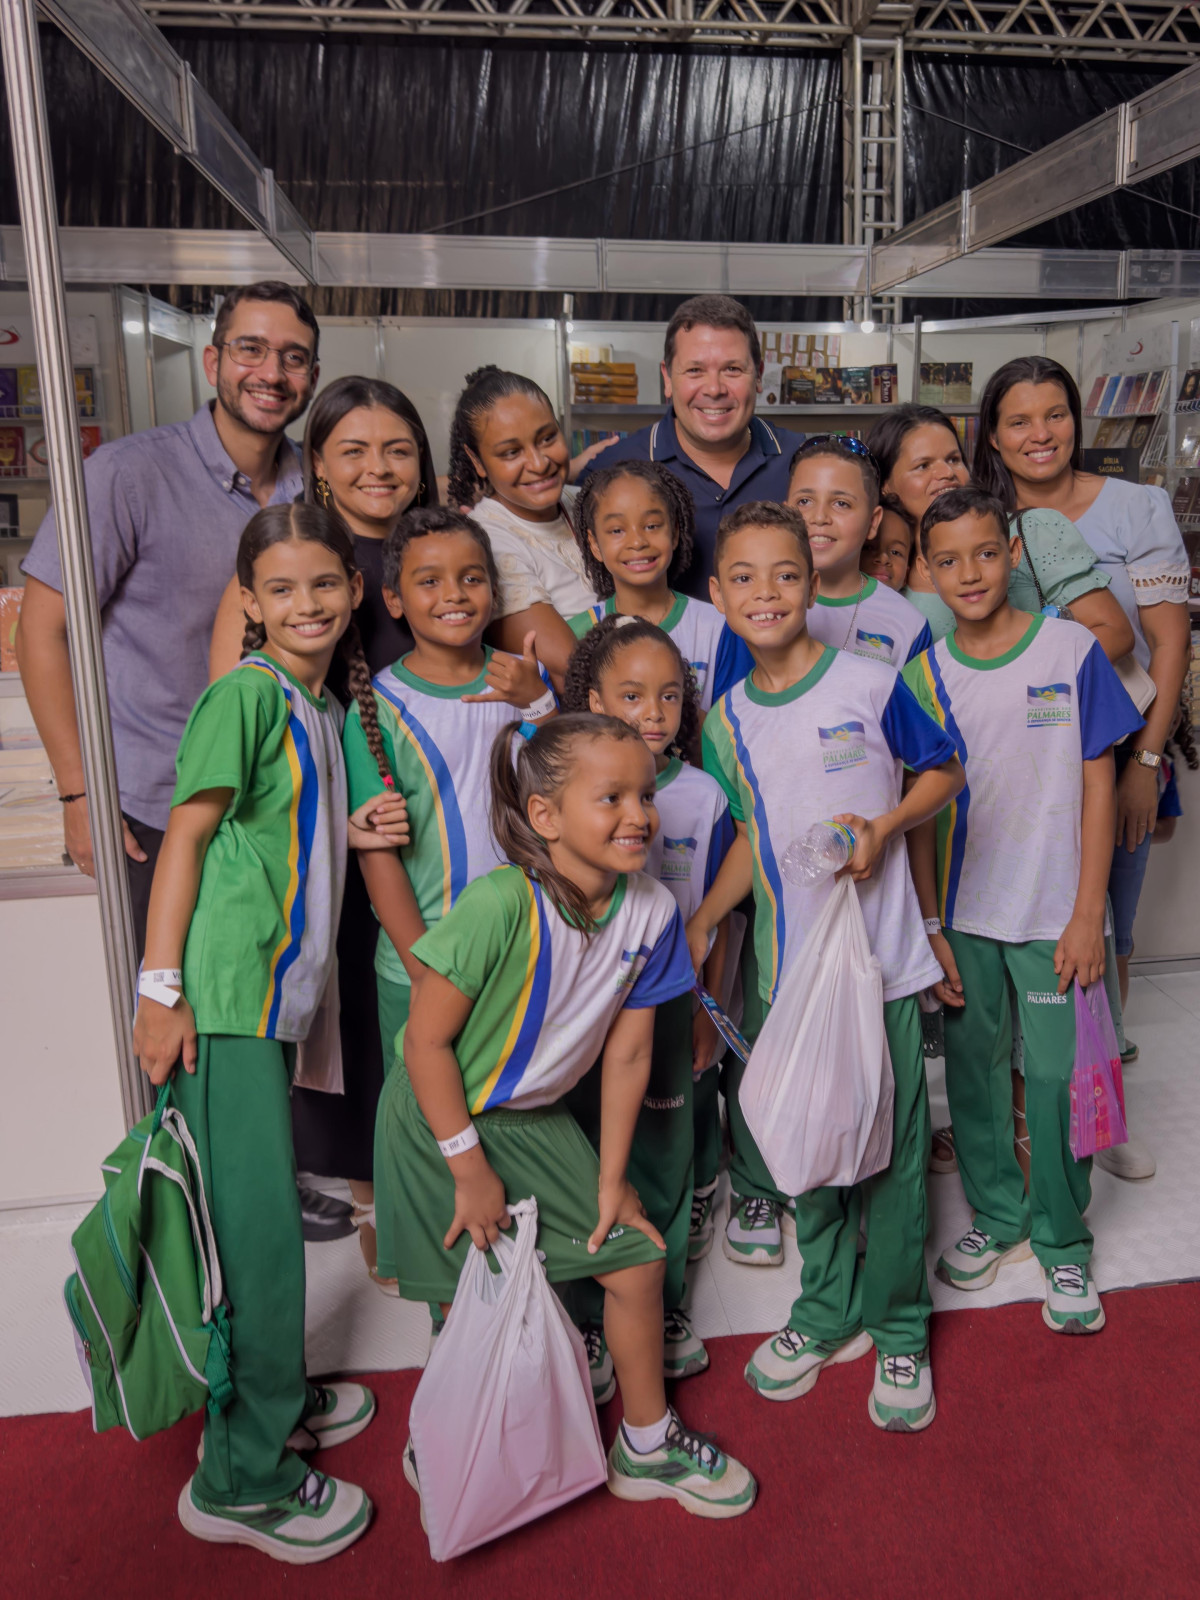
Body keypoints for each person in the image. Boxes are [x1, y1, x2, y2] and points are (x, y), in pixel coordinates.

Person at [382, 715, 756, 1520]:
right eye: (612, 797)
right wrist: (467, 1167)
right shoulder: (496, 904)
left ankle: (647, 1443)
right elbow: (424, 1044)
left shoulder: (652, 912)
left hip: (534, 1117)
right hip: (443, 1121)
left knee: (634, 1260)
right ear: (546, 815)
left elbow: (626, 1057)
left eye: (647, 794)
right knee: (471, 1294)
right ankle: (446, 1431)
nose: (639, 814)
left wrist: (613, 1180)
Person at [130, 503, 404, 1563]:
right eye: (280, 589)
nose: (306, 605)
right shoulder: (243, 694)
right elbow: (188, 837)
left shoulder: (314, 704)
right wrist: (162, 988)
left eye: (323, 584)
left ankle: (273, 1397)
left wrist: (345, 826)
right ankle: (241, 1476)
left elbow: (264, 826)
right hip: (221, 1004)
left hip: (265, 1004)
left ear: (352, 588)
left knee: (262, 1225)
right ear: (248, 599)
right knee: (249, 1239)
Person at [687, 500, 963, 1433]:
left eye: (787, 575)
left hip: (877, 970)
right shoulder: (724, 721)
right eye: (746, 579)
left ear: (812, 584)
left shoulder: (868, 683)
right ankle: (825, 1308)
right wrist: (706, 918)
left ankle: (897, 1328)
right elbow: (748, 842)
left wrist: (884, 827)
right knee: (806, 1149)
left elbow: (947, 773)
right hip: (785, 972)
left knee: (885, 1158)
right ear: (719, 595)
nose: (768, 594)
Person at [209, 376, 438, 1263]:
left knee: (423, 1008)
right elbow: (241, 722)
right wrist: (327, 829)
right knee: (347, 1025)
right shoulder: (294, 554)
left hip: (426, 835)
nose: (379, 467)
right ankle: (373, 1197)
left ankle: (432, 1175)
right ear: (320, 466)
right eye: (354, 450)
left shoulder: (445, 547)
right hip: (328, 845)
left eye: (398, 448)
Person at [16, 281, 318, 953]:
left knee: (261, 1027)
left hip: (279, 804)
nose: (271, 373)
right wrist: (78, 794)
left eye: (293, 357)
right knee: (165, 1017)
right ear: (213, 364)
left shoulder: (314, 487)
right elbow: (43, 629)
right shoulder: (127, 475)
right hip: (154, 805)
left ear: (312, 378)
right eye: (251, 349)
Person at [905, 487, 1142, 1333]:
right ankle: (998, 1219)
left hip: (1056, 917)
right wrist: (931, 928)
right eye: (947, 560)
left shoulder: (1071, 648)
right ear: (927, 571)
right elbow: (923, 816)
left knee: (1057, 1078)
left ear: (1012, 551)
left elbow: (1098, 782)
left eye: (984, 553)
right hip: (969, 917)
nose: (968, 573)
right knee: (969, 1077)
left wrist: (1087, 916)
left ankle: (1063, 1240)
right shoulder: (924, 673)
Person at [974, 358, 1190, 1155]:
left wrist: (1147, 763)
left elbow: (1167, 641)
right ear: (992, 436)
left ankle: (1101, 1113)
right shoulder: (979, 520)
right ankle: (1025, 1118)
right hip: (1018, 776)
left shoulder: (1136, 506)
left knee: (1108, 931)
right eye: (1020, 420)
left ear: (1077, 420)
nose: (1041, 435)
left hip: (1123, 752)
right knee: (1024, 940)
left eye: (1056, 414)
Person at [341, 506, 557, 1295]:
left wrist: (538, 703)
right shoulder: (376, 708)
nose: (454, 594)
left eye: (472, 577)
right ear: (394, 600)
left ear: (495, 590)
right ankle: (431, 1282)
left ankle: (521, 1261)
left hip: (519, 952)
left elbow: (569, 792)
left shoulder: (519, 683)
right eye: (428, 582)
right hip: (419, 965)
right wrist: (420, 966)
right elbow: (380, 859)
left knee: (510, 1111)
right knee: (426, 1129)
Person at [561, 616, 733, 1388]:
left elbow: (720, 919)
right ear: (593, 697)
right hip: (584, 1011)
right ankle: (590, 1319)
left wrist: (705, 1010)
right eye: (631, 696)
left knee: (662, 1157)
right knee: (583, 1158)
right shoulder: (560, 792)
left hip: (667, 1010)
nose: (653, 712)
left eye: (669, 695)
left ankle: (660, 1306)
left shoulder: (703, 798)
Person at [868, 402, 1134, 663]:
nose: (947, 472)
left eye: (954, 459)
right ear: (885, 485)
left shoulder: (1030, 532)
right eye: (923, 465)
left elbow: (1115, 632)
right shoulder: (879, 563)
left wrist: (1023, 686)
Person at [578, 296, 804, 595]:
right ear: (667, 378)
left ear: (759, 374)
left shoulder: (804, 462)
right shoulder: (613, 470)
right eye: (695, 370)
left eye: (732, 369)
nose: (714, 389)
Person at [447, 365, 597, 688]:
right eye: (512, 452)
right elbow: (571, 666)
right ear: (477, 462)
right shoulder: (483, 539)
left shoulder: (587, 502)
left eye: (547, 438)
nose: (539, 463)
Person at [568, 459, 752, 713]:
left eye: (652, 526)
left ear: (675, 532)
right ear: (594, 544)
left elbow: (732, 731)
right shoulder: (577, 632)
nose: (637, 541)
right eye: (616, 530)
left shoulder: (720, 627)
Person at [786, 435, 932, 668]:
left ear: (873, 522)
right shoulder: (759, 601)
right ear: (785, 512)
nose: (819, 517)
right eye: (804, 501)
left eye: (841, 503)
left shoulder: (908, 624)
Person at [862, 499, 915, 595]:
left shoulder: (908, 610)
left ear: (906, 575)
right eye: (868, 548)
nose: (883, 558)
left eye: (895, 552)